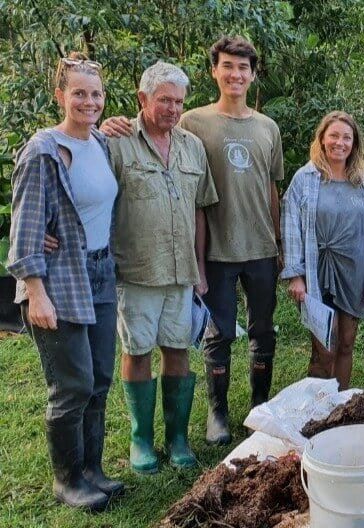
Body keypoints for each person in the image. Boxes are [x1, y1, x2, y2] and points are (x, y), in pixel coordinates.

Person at [102, 36, 285, 445]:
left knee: (263, 330)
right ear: (214, 71)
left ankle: (259, 404)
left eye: (243, 68)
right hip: (216, 249)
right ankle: (216, 412)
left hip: (261, 249)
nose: (236, 74)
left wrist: (280, 241)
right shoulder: (192, 121)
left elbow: (272, 189)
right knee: (217, 332)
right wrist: (114, 123)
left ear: (253, 75)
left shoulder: (267, 127)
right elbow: (155, 136)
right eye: (228, 66)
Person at [6, 53, 121, 510]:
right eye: (79, 93)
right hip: (58, 281)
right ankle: (68, 480)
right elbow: (24, 230)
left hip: (101, 273)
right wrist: (36, 292)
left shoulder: (100, 143)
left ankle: (93, 470)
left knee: (99, 379)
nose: (88, 102)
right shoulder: (42, 152)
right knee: (71, 385)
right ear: (60, 96)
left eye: (95, 94)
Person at [107, 61, 218, 473]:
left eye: (178, 101)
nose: (172, 109)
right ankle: (141, 440)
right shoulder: (116, 143)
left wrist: (200, 268)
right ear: (143, 99)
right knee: (136, 350)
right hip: (135, 269)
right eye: (164, 100)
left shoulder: (191, 146)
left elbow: (200, 211)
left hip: (181, 272)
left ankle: (177, 438)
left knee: (178, 349)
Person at [281, 111, 364, 390]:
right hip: (317, 274)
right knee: (324, 347)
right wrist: (295, 274)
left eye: (346, 137)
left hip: (353, 272)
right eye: (334, 135)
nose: (340, 143)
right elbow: (290, 225)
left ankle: (339, 408)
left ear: (354, 144)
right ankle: (316, 409)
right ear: (322, 138)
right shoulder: (305, 178)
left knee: (346, 343)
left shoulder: (360, 180)